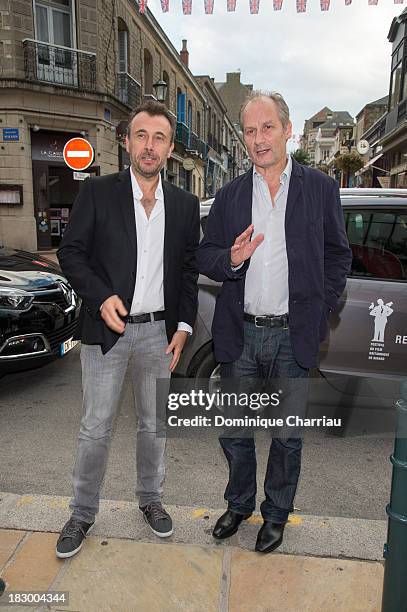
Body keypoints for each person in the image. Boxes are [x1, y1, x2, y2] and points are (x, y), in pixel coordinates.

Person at [197, 91, 352, 554]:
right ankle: (240, 504)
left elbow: (336, 256)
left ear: (288, 130)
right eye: (250, 130)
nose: (259, 139)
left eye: (268, 127)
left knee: (286, 437)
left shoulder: (320, 189)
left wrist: (320, 309)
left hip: (291, 335)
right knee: (234, 431)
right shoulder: (228, 196)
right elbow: (205, 256)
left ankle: (276, 514)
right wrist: (231, 257)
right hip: (239, 333)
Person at [56, 100, 200, 558]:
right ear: (127, 141)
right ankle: (81, 512)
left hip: (159, 334)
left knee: (154, 425)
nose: (149, 146)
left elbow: (189, 271)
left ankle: (151, 500)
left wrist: (182, 327)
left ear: (171, 148)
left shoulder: (185, 204)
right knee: (95, 427)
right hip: (106, 334)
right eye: (141, 135)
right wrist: (101, 296)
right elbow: (71, 253)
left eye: (159, 138)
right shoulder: (98, 192)